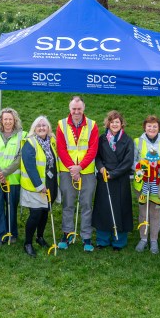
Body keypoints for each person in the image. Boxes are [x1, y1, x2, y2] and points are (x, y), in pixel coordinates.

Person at [56, 96, 99, 251]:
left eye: (79, 109)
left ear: (83, 108)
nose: (76, 112)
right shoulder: (61, 124)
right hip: (67, 171)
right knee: (68, 203)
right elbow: (61, 148)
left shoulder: (92, 125)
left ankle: (86, 237)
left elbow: (93, 149)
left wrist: (79, 167)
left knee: (87, 204)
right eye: (74, 109)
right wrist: (71, 168)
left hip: (86, 170)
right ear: (69, 109)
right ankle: (67, 234)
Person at [93, 111, 134, 251]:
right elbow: (97, 157)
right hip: (104, 178)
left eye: (117, 121)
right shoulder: (102, 139)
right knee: (103, 209)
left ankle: (119, 241)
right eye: (112, 122)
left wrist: (114, 174)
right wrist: (101, 168)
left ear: (121, 123)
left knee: (121, 209)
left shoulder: (128, 140)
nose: (114, 124)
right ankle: (102, 240)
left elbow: (128, 161)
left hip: (120, 179)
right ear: (108, 123)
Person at [133, 116, 160, 254]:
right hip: (142, 183)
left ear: (159, 127)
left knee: (155, 212)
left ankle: (154, 240)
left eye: (155, 126)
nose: (152, 128)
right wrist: (142, 168)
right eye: (149, 126)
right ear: (145, 127)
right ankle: (143, 239)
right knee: (143, 212)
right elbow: (132, 161)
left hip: (158, 183)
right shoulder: (137, 141)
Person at [20, 116, 58, 257]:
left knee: (44, 212)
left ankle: (40, 237)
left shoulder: (51, 142)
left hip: (50, 184)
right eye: (39, 126)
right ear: (34, 128)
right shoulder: (30, 143)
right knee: (35, 214)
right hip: (34, 187)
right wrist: (39, 185)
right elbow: (30, 167)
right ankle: (28, 243)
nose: (42, 128)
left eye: (44, 125)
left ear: (48, 128)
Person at [0, 107, 23, 246]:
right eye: (5, 119)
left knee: (11, 207)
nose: (8, 121)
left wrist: (6, 173)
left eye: (10, 119)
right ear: (1, 121)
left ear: (14, 120)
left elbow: (20, 157)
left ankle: (12, 233)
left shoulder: (22, 135)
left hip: (13, 178)